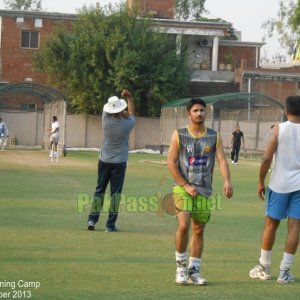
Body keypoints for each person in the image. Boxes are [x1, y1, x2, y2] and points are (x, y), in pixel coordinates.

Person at [167, 98, 233, 285]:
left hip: (204, 190)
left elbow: (221, 160)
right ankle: (180, 268)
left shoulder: (214, 136)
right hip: (182, 188)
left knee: (198, 229)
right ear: (189, 114)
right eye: (195, 110)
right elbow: (171, 163)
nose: (199, 113)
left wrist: (227, 180)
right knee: (184, 225)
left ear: (206, 113)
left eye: (202, 110)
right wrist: (186, 185)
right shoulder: (179, 134)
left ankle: (194, 272)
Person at [249, 96, 300, 284]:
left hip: (279, 185)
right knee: (295, 227)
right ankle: (284, 272)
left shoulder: (279, 129)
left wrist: (260, 181)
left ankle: (264, 267)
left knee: (271, 224)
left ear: (286, 110)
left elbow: (266, 158)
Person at [87, 90, 135, 232]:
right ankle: (110, 225)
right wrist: (130, 98)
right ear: (121, 109)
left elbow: (108, 109)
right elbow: (131, 113)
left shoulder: (105, 120)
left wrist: (121, 110)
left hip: (104, 160)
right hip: (119, 162)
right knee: (115, 194)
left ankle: (92, 220)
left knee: (99, 190)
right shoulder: (128, 124)